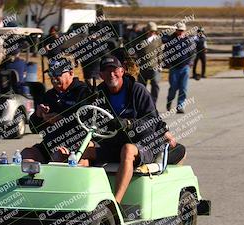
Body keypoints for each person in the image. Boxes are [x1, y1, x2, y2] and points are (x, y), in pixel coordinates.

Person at [77, 56, 180, 204]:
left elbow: (152, 121)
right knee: (82, 151)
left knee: (128, 149)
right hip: (113, 144)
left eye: (114, 70)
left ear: (122, 71)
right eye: (106, 71)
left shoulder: (137, 90)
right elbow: (89, 119)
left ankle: (115, 204)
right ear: (101, 75)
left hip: (143, 145)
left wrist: (129, 124)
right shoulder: (98, 94)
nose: (111, 74)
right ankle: (82, 200)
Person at [22, 58, 92, 163]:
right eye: (51, 74)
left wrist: (62, 120)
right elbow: (34, 129)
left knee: (57, 156)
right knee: (26, 153)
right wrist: (38, 116)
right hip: (50, 144)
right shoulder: (49, 95)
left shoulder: (83, 92)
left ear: (71, 73)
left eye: (57, 73)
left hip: (75, 145)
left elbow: (87, 122)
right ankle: (33, 179)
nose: (54, 78)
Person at [164, 22, 196, 114]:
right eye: (179, 30)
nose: (181, 32)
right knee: (173, 88)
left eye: (182, 30)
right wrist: (167, 63)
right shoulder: (170, 40)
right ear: (176, 30)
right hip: (174, 67)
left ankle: (180, 106)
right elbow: (166, 53)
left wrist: (191, 62)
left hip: (185, 67)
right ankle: (169, 101)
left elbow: (193, 52)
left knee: (183, 88)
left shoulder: (188, 40)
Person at [137, 21, 163, 104]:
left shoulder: (158, 40)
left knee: (155, 85)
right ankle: (143, 103)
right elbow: (136, 52)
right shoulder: (140, 39)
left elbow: (160, 53)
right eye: (151, 31)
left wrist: (160, 64)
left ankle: (153, 103)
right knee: (141, 86)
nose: (152, 33)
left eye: (154, 31)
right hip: (142, 67)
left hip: (154, 67)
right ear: (147, 30)